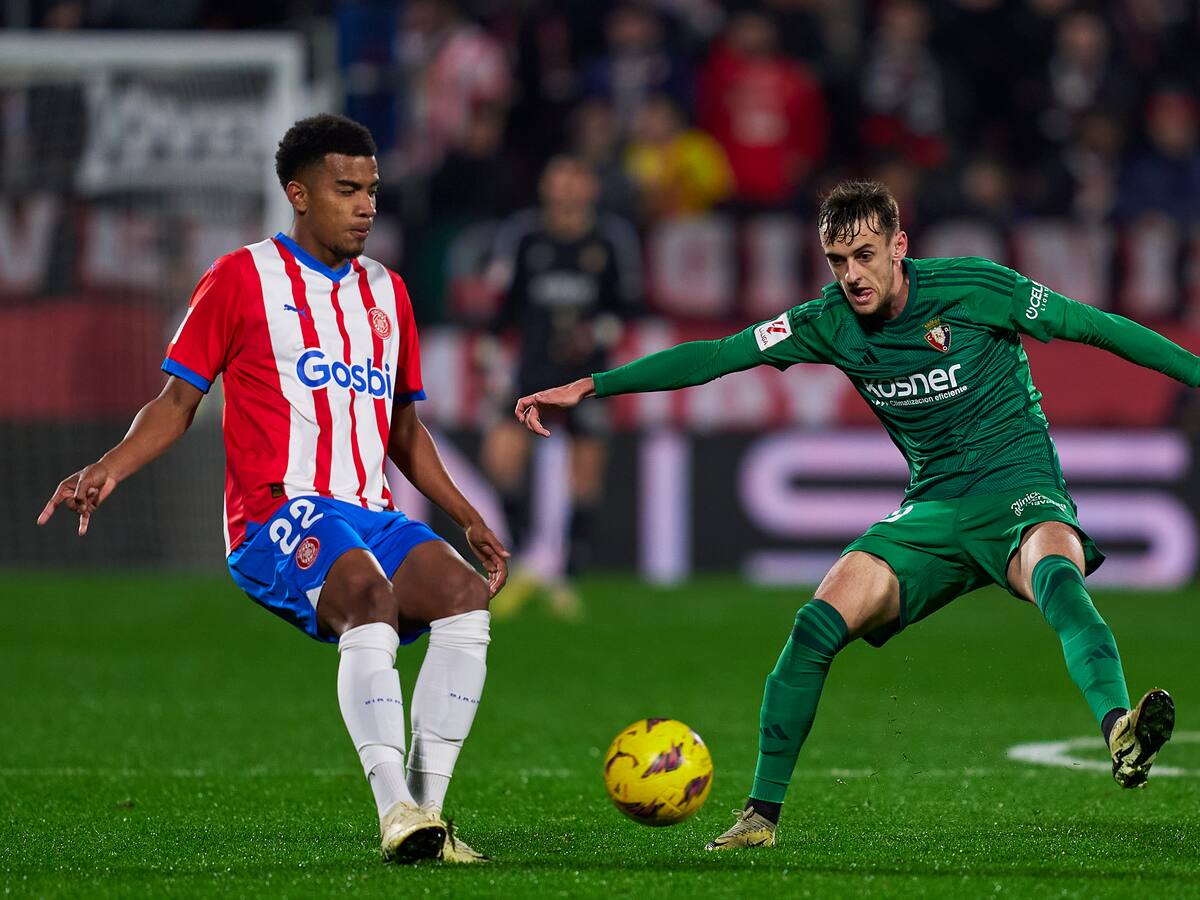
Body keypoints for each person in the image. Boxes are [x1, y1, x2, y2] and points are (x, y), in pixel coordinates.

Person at [515, 180, 1188, 851]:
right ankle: (760, 817)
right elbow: (719, 355)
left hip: (1019, 489)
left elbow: (1097, 327)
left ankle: (1119, 731)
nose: (852, 275)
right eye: (838, 261)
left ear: (899, 246)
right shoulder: (827, 321)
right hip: (930, 508)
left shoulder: (976, 287)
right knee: (815, 625)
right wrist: (594, 385)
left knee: (1057, 578)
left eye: (865, 255)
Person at [36, 114, 509, 865]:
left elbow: (404, 429)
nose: (365, 206)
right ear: (299, 194)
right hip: (275, 512)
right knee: (368, 597)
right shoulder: (240, 277)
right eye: (346, 189)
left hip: (371, 510)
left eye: (372, 190)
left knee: (463, 597)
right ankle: (394, 811)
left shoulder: (388, 292)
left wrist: (466, 516)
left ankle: (429, 817)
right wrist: (109, 466)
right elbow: (176, 401)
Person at [480, 155, 641, 618]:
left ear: (590, 187)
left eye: (575, 179)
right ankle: (527, 560)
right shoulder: (523, 237)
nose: (567, 188)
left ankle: (567, 577)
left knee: (585, 473)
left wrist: (598, 334)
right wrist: (490, 355)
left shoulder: (611, 240)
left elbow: (628, 306)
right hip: (530, 375)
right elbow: (502, 307)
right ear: (546, 186)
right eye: (559, 179)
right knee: (500, 458)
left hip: (587, 379)